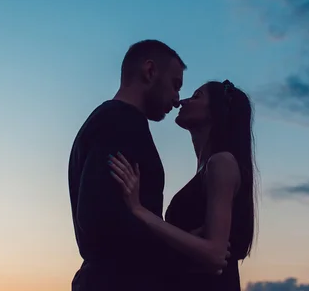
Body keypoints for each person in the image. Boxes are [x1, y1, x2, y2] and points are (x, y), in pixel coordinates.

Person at [68, 40, 228, 291]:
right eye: (176, 85)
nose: (177, 99)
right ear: (150, 71)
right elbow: (100, 224)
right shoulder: (119, 122)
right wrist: (178, 250)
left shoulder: (114, 121)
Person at [109, 79, 257, 291]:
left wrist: (139, 210)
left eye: (196, 96)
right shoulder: (209, 168)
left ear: (216, 111)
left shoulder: (221, 163)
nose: (182, 101)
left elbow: (215, 254)